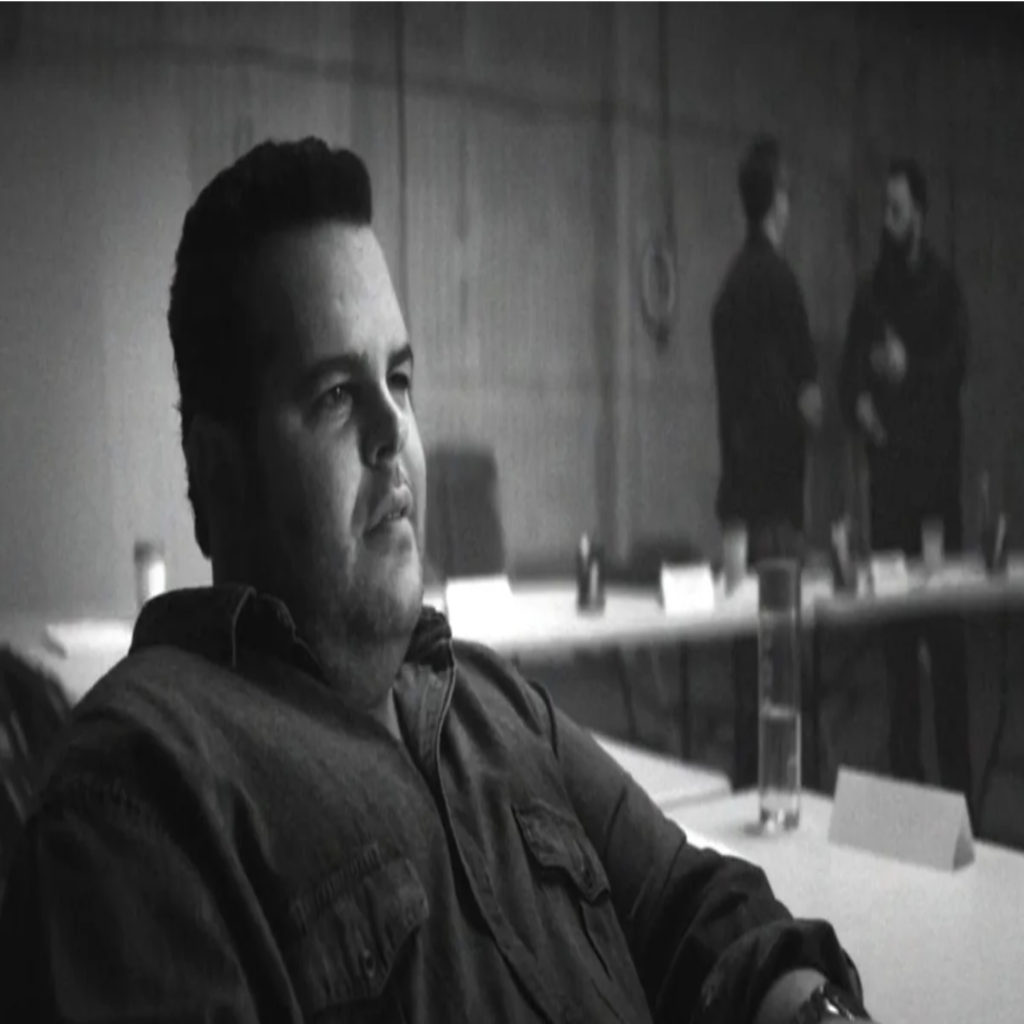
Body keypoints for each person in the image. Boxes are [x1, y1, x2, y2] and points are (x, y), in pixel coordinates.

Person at [0, 139, 869, 1024]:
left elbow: (695, 907)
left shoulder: (492, 703)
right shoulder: (135, 800)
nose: (396, 431)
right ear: (217, 471)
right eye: (336, 394)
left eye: (400, 379)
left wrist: (811, 1010)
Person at [839, 158, 972, 810]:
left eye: (897, 209)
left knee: (947, 658)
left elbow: (954, 369)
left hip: (935, 498)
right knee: (899, 671)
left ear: (919, 212)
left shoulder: (945, 290)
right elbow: (847, 379)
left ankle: (962, 804)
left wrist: (906, 365)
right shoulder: (872, 293)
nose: (888, 220)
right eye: (884, 210)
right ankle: (907, 807)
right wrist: (860, 404)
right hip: (890, 499)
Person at [711, 136, 823, 789]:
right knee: (782, 675)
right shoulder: (782, 283)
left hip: (736, 508)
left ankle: (747, 792)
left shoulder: (728, 289)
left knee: (746, 673)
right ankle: (786, 796)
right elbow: (809, 394)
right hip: (778, 506)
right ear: (778, 202)